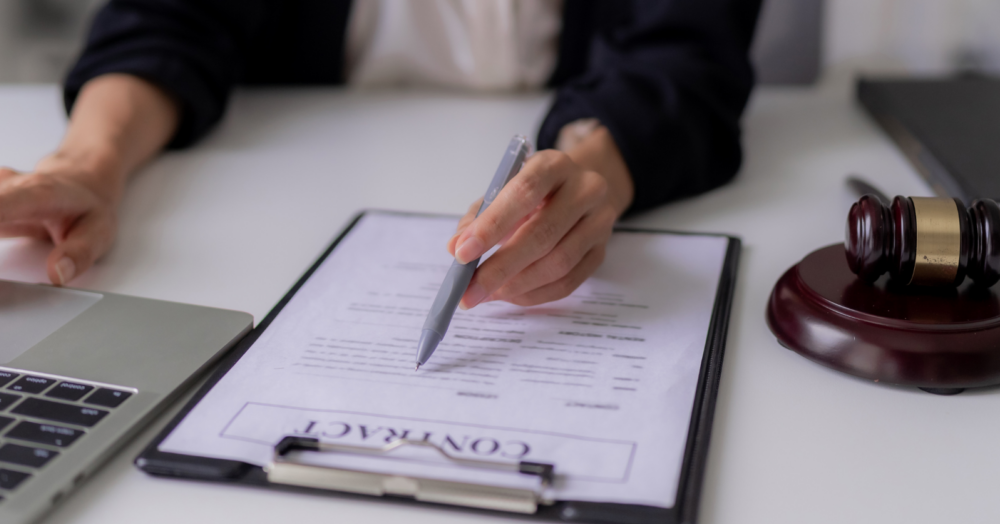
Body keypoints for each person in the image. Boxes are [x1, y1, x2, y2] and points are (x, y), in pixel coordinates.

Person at [0, 0, 760, 309]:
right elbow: (169, 15)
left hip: (564, 128)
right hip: (279, 187)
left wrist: (588, 172)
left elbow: (684, 61)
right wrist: (88, 162)